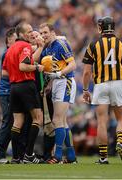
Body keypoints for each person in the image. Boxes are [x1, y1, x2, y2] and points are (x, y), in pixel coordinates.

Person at [82, 16, 122, 164]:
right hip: (118, 84)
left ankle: (103, 158)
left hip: (100, 85)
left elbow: (86, 72)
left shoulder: (93, 45)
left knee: (102, 122)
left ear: (101, 28)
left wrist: (86, 90)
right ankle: (119, 142)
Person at [3, 22, 44, 164]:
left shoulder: (10, 49)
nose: (32, 33)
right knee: (38, 118)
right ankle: (28, 154)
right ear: (21, 34)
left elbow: (5, 72)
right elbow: (23, 66)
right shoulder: (25, 46)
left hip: (14, 88)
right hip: (26, 85)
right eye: (29, 31)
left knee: (17, 122)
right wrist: (37, 67)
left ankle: (15, 157)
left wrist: (39, 48)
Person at [39, 23, 77, 164]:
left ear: (53, 32)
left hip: (65, 81)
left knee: (57, 120)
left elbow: (73, 65)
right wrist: (49, 83)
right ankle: (71, 156)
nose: (43, 35)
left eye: (45, 32)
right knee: (63, 122)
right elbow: (48, 70)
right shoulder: (46, 48)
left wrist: (59, 73)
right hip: (56, 83)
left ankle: (58, 155)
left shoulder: (60, 44)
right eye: (41, 33)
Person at [0, 27, 17, 164]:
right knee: (8, 120)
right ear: (8, 41)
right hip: (6, 91)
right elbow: (4, 74)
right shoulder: (7, 53)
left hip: (12, 91)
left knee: (13, 122)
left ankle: (9, 153)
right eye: (15, 39)